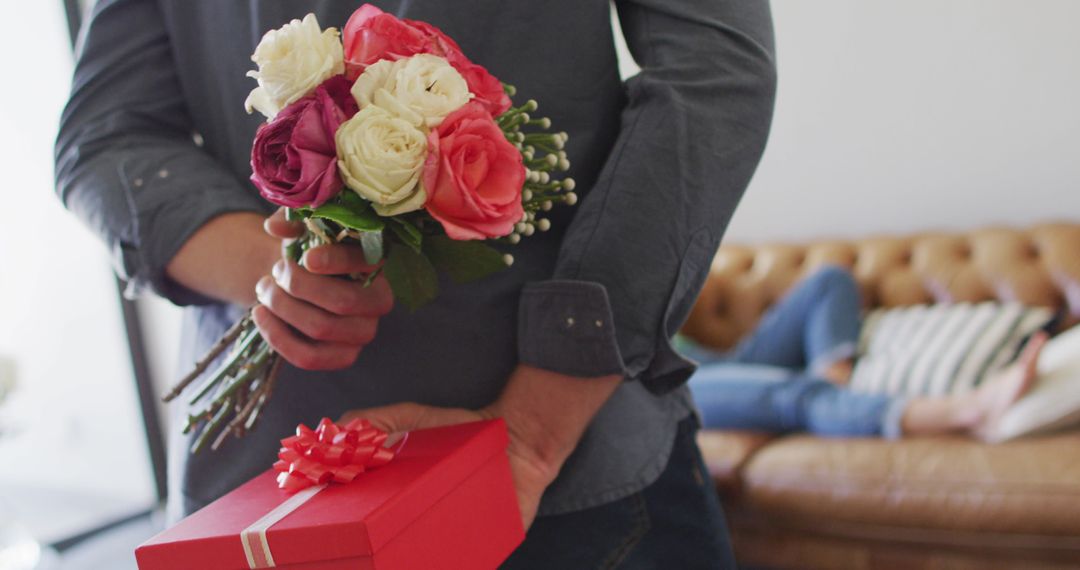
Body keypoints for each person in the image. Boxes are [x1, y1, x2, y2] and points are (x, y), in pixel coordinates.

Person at [55, 1, 777, 568]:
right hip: (270, 491)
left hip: (561, 472)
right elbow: (102, 138)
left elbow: (712, 75)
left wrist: (533, 431)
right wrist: (274, 269)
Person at [684, 266, 1047, 441]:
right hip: (663, 386)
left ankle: (835, 379)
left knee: (829, 280)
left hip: (707, 361)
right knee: (793, 393)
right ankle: (967, 411)